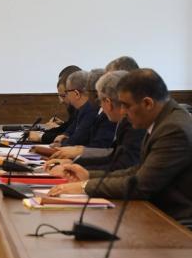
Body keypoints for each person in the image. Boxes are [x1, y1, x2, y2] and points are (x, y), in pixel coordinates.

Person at [48, 69, 192, 223]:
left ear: (147, 103)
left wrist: (84, 186)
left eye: (126, 105)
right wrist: (88, 176)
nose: (122, 111)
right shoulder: (162, 120)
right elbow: (137, 170)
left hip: (175, 222)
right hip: (156, 212)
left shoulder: (172, 129)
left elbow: (140, 185)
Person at [45, 71, 145, 171]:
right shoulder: (124, 122)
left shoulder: (133, 124)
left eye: (99, 100)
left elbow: (125, 165)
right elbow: (113, 156)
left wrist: (79, 168)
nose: (100, 106)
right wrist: (74, 163)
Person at [29, 65, 81, 144]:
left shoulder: (87, 109)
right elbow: (71, 127)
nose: (61, 101)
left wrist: (41, 137)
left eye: (63, 96)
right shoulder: (75, 108)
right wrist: (60, 126)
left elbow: (75, 137)